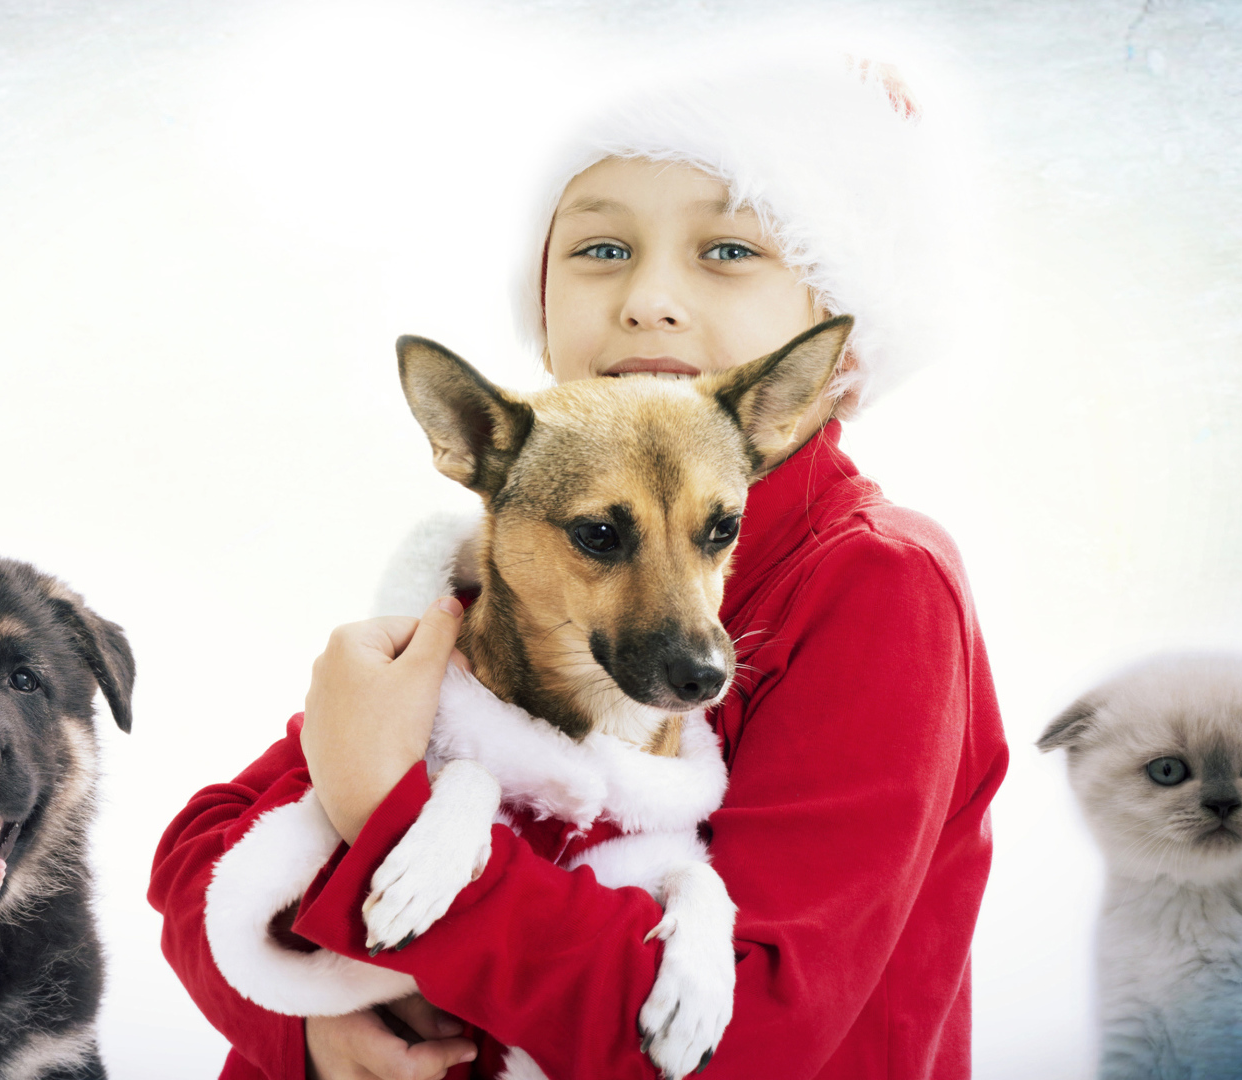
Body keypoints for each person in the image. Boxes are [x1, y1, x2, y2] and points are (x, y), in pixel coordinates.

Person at [150, 55, 1009, 1080]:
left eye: (728, 249)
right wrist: (315, 1035)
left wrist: (388, 804)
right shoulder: (509, 553)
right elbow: (198, 858)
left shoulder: (876, 584)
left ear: (833, 344)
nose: (649, 298)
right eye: (601, 247)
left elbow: (739, 1046)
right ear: (544, 303)